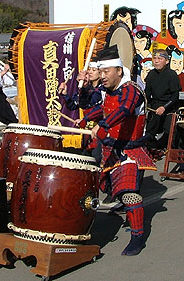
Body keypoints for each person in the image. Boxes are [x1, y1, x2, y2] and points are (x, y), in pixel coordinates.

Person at [77, 45, 156, 256]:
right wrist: (85, 117)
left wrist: (101, 126)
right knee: (108, 188)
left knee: (130, 194)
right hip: (111, 149)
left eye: (106, 72)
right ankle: (128, 213)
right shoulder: (105, 91)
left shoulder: (132, 90)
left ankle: (138, 237)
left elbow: (124, 110)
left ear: (118, 71)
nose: (102, 76)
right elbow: (97, 108)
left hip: (131, 151)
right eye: (100, 72)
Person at [58, 59, 102, 158]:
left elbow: (92, 103)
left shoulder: (102, 90)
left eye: (94, 70)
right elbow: (74, 105)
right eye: (89, 69)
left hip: (99, 130)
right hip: (86, 133)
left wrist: (84, 88)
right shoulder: (86, 88)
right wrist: (65, 95)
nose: (90, 72)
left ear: (101, 73)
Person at [144, 49, 181, 151]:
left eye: (159, 59)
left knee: (170, 132)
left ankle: (176, 154)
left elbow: (175, 96)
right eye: (154, 58)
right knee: (150, 130)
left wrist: (164, 108)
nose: (156, 61)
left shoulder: (171, 74)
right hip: (155, 106)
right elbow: (147, 93)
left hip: (169, 106)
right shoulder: (151, 74)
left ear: (167, 61)